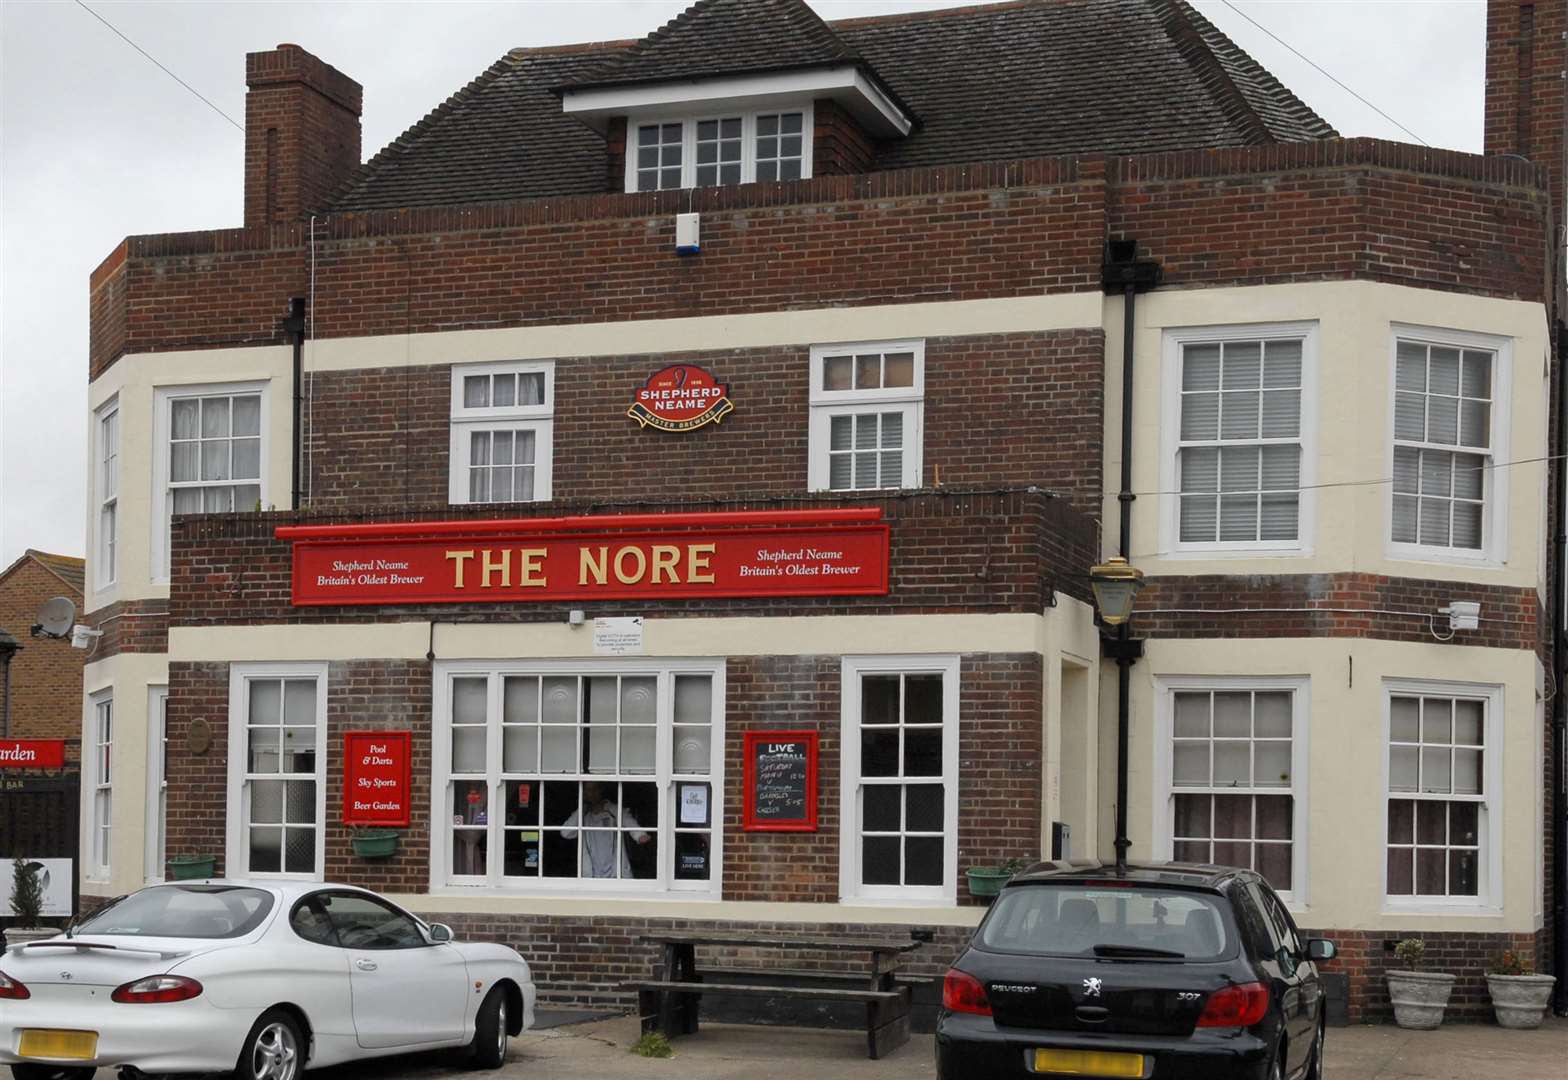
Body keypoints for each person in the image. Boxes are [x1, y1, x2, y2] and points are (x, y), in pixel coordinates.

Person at [561, 782, 650, 878]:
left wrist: (640, 835)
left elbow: (628, 822)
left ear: (601, 790)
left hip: (616, 874)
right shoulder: (583, 815)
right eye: (587, 790)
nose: (591, 793)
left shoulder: (613, 810)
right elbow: (566, 833)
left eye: (594, 789)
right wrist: (582, 808)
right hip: (591, 875)